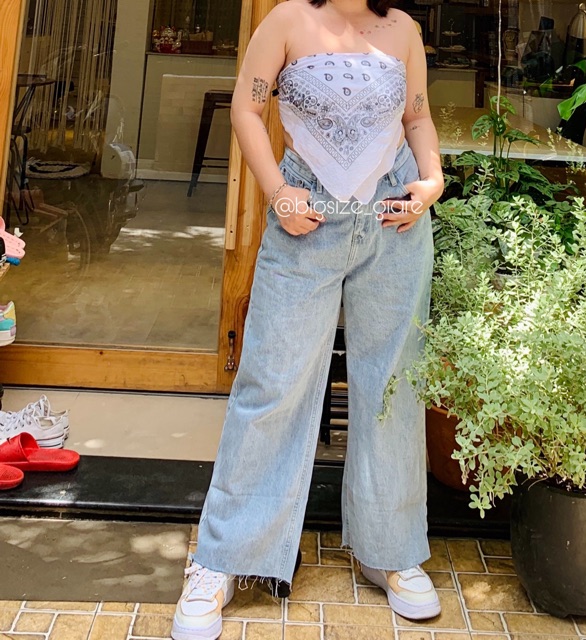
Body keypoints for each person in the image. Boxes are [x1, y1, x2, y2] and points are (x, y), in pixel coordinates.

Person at [171, 0, 444, 637]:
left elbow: (417, 117)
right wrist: (276, 192)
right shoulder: (286, 21)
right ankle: (222, 558)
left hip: (394, 222)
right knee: (272, 382)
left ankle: (391, 549)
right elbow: (246, 108)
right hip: (305, 216)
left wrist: (431, 180)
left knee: (393, 385)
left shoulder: (403, 29)